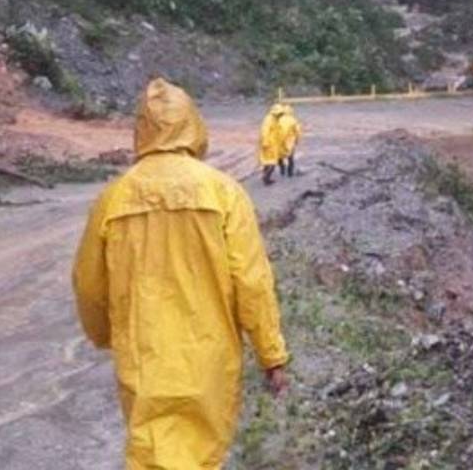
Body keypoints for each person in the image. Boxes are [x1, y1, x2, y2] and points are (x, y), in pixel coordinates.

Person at [73, 78, 290, 470]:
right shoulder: (223, 192)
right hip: (210, 357)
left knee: (151, 452)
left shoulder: (113, 198)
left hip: (143, 355)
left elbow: (89, 285)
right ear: (193, 123)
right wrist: (270, 355)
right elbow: (252, 283)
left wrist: (105, 334)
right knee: (203, 454)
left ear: (140, 128)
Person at [259, 103, 287, 185]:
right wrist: (265, 142)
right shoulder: (269, 119)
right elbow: (264, 131)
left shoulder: (274, 119)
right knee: (272, 162)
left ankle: (265, 176)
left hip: (273, 144)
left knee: (268, 162)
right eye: (280, 113)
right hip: (269, 144)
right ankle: (266, 178)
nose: (281, 115)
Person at [277, 103, 303, 178]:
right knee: (290, 158)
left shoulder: (279, 120)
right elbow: (298, 132)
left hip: (280, 141)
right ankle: (290, 173)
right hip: (289, 142)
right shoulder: (293, 120)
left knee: (280, 157)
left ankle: (282, 169)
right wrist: (297, 140)